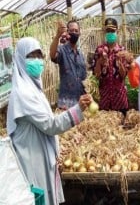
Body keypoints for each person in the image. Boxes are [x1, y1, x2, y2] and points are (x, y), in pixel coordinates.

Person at [7, 37, 92, 205]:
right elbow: (50, 125)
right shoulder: (23, 94)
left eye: (39, 55)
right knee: (39, 197)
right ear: (21, 60)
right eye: (32, 56)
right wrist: (78, 109)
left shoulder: (33, 89)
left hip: (39, 154)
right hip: (32, 159)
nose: (37, 60)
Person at [92, 18, 129, 117]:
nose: (110, 33)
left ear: (117, 31)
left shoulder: (122, 50)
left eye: (112, 31)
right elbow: (96, 75)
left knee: (121, 128)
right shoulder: (99, 50)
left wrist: (120, 63)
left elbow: (124, 75)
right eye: (108, 31)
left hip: (119, 98)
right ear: (105, 32)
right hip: (104, 98)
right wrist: (100, 62)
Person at [50, 20, 87, 110]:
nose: (74, 33)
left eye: (76, 31)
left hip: (80, 103)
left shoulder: (80, 55)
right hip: (66, 103)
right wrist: (58, 36)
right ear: (67, 32)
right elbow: (52, 55)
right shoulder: (62, 50)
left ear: (79, 33)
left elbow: (84, 80)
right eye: (71, 30)